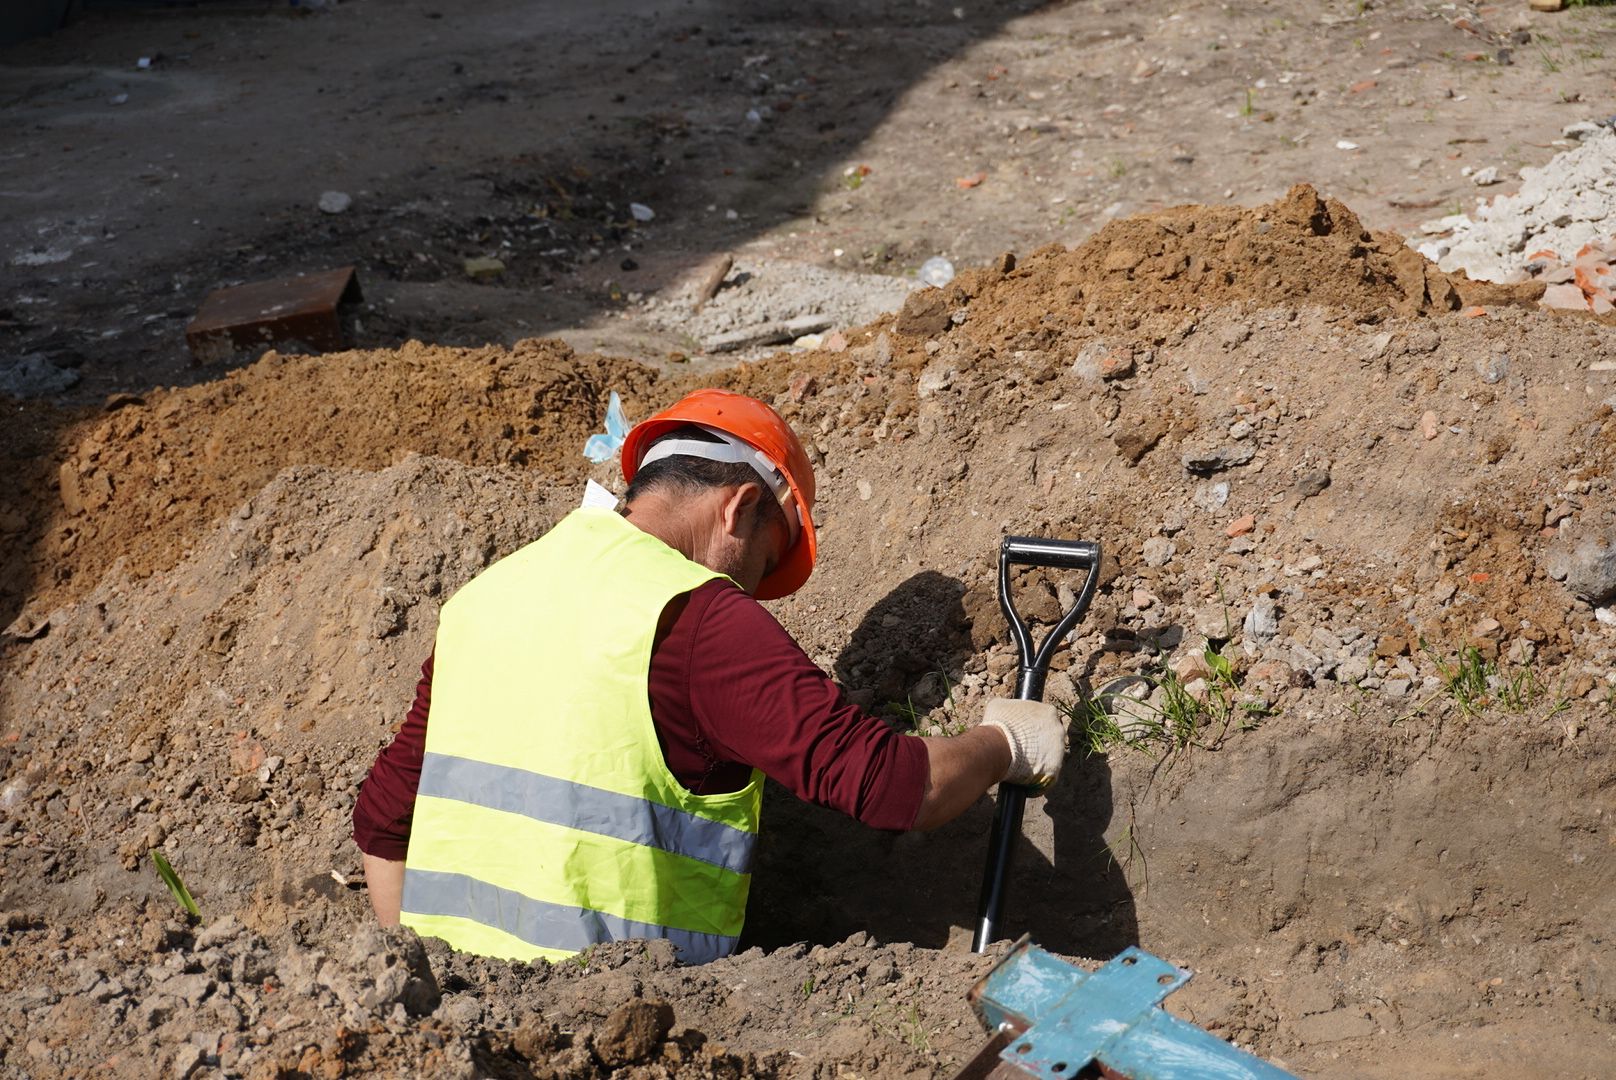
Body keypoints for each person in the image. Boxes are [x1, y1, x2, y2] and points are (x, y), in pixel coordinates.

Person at [352, 388, 1065, 964]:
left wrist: (427, 983)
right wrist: (1004, 743)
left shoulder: (491, 594)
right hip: (619, 1035)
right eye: (763, 560)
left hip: (458, 1028)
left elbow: (384, 818)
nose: (751, 587)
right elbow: (897, 787)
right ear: (742, 508)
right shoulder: (699, 619)